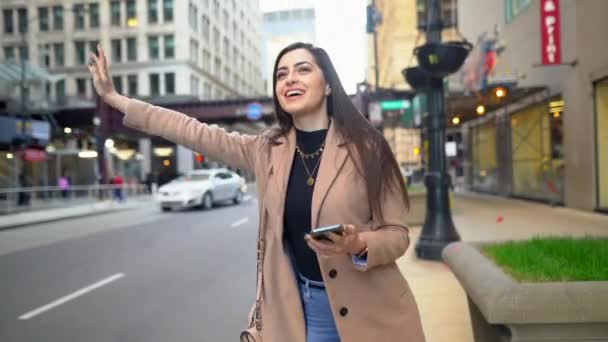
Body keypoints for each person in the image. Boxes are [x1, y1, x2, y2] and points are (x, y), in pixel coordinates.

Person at [88, 42, 425, 342]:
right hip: (296, 309)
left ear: (327, 85)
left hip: (370, 308)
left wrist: (359, 244)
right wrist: (116, 99)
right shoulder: (266, 149)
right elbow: (191, 130)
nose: (290, 79)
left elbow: (397, 234)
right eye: (281, 74)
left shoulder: (368, 148)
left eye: (303, 70)